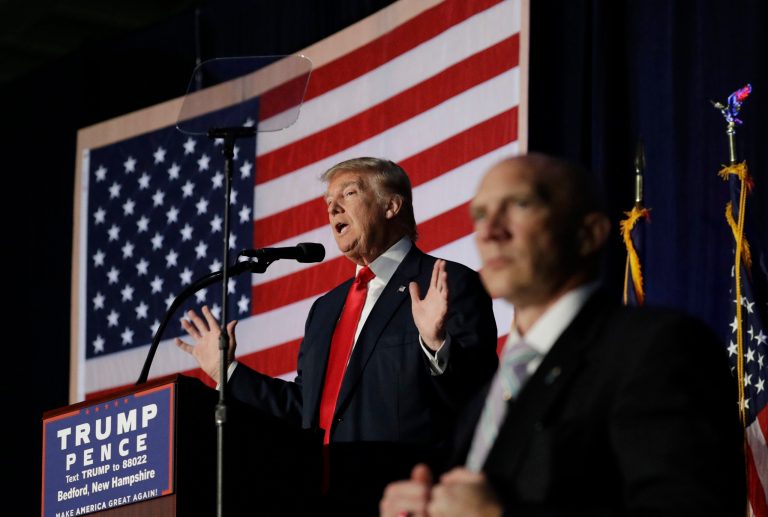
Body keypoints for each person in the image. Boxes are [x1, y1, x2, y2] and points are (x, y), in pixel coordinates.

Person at [380, 153, 745, 516]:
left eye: (520, 205)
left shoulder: (658, 348)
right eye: (480, 214)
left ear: (588, 234)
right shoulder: (490, 395)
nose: (489, 232)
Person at [176, 157, 498, 514]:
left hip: (406, 498)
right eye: (329, 202)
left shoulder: (446, 283)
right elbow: (305, 408)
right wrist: (228, 374)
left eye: (348, 193)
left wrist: (436, 345)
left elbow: (480, 395)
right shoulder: (325, 309)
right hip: (323, 500)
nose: (333, 208)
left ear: (391, 205)